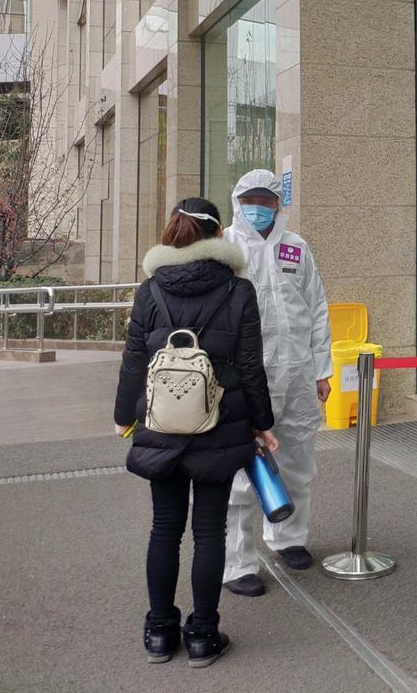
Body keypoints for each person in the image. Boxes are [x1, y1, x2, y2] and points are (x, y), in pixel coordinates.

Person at [114, 198, 278, 668]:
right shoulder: (238, 290)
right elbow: (250, 367)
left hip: (161, 423)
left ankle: (160, 631)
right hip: (221, 424)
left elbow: (133, 360)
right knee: (209, 530)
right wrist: (263, 425)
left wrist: (125, 414)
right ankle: (204, 634)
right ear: (217, 235)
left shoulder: (150, 289)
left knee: (164, 529)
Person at [222, 169, 331, 594]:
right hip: (248, 377)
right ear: (238, 201)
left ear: (278, 204)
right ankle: (238, 563)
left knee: (299, 463)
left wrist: (322, 368)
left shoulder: (296, 247)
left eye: (268, 200)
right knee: (241, 473)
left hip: (298, 372)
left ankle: (288, 538)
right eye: (252, 199)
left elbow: (317, 306)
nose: (260, 208)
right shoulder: (227, 248)